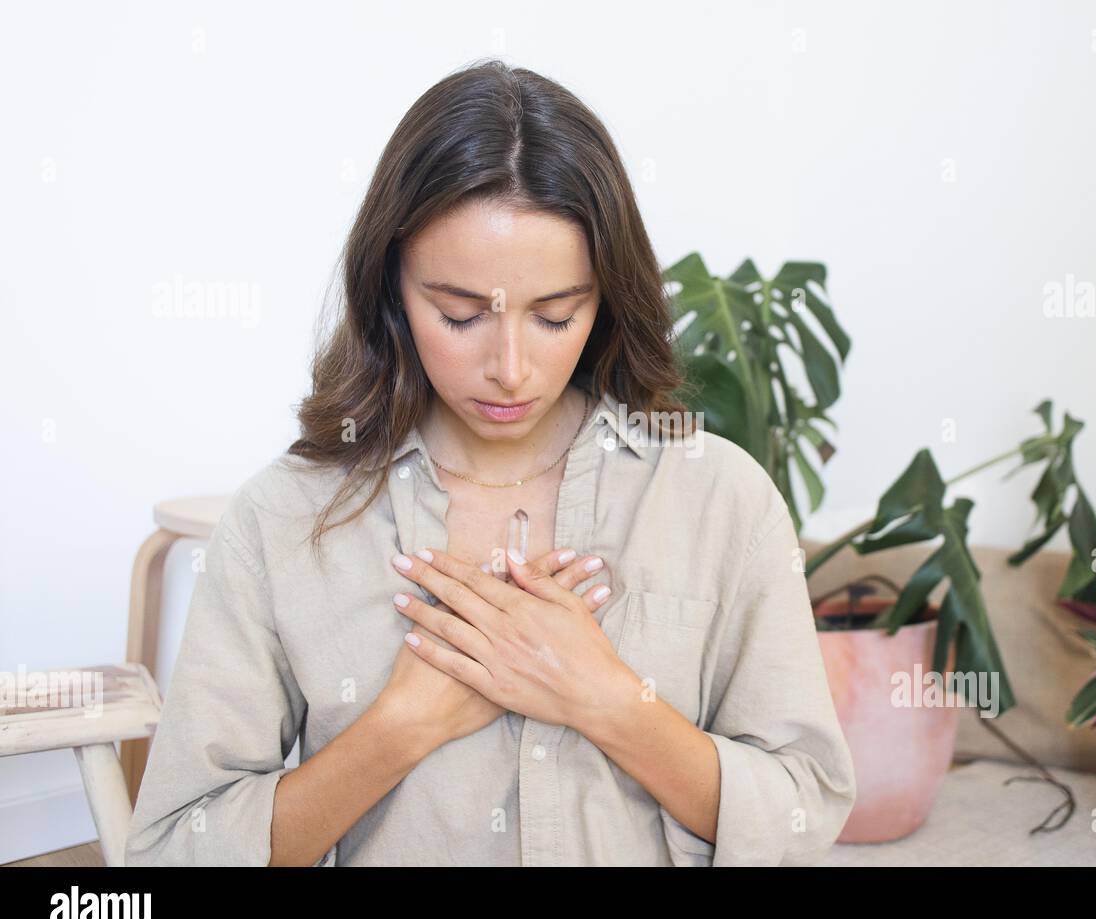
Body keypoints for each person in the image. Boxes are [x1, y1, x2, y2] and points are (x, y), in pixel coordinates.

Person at [124, 58, 855, 867]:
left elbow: (804, 805)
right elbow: (171, 853)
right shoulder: (285, 518)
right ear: (391, 289)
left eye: (554, 315)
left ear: (606, 298)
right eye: (461, 314)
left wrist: (606, 700)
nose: (510, 368)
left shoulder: (720, 499)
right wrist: (401, 728)